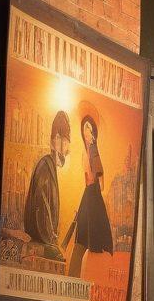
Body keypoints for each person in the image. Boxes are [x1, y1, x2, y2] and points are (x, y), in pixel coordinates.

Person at [66, 112, 114, 277]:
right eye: (86, 127)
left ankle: (77, 279)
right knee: (81, 241)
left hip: (93, 196)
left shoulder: (93, 151)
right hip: (88, 196)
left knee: (89, 241)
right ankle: (73, 278)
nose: (88, 131)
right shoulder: (84, 153)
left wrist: (94, 152)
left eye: (90, 128)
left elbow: (101, 184)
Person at [23, 111, 71, 262]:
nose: (62, 145)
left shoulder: (50, 166)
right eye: (57, 138)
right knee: (59, 257)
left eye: (65, 140)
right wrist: (51, 239)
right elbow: (41, 205)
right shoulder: (46, 165)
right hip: (42, 239)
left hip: (46, 238)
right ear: (52, 141)